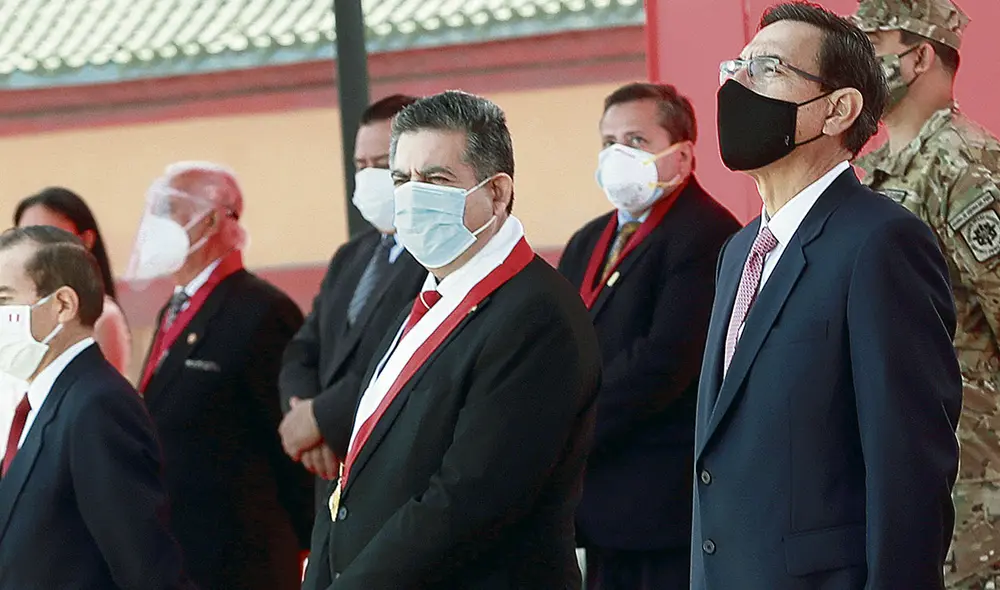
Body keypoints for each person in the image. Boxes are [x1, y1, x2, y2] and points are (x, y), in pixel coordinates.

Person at [692, 3, 962, 589]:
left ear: (838, 109)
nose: (739, 84)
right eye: (736, 66)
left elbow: (909, 471)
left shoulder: (881, 243)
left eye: (767, 68)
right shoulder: (739, 252)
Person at [303, 90, 602, 589]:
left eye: (437, 180)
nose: (413, 196)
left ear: (497, 193)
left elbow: (470, 498)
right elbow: (357, 465)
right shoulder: (429, 297)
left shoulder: (535, 314)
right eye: (402, 179)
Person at [557, 82, 739, 589]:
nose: (618, 155)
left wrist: (568, 424)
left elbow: (664, 363)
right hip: (593, 498)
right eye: (608, 141)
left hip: (660, 502)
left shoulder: (707, 234)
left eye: (635, 140)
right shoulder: (589, 238)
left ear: (681, 152)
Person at [849, 1, 1000, 586]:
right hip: (911, 462)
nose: (857, 63)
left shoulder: (965, 166)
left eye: (872, 45)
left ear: (918, 56)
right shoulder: (882, 170)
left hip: (975, 482)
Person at [127, 161, 312, 590]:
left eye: (169, 210)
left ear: (210, 219)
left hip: (239, 557)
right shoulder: (174, 308)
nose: (154, 225)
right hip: (180, 551)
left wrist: (304, 542)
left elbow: (289, 444)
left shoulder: (261, 310)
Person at [278, 94, 427, 586]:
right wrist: (304, 415)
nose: (368, 176)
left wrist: (320, 418)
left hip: (394, 484)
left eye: (382, 164)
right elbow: (304, 349)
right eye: (361, 164)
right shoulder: (353, 255)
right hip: (331, 484)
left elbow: (403, 357)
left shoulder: (436, 257)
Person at [0, 225, 194, 589]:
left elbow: (145, 568)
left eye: (3, 298)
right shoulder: (46, 401)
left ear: (62, 305)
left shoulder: (97, 406)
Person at [15, 187, 132, 376]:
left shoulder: (103, 317)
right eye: (24, 237)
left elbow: (104, 397)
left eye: (48, 236)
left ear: (85, 240)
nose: (34, 250)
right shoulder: (15, 311)